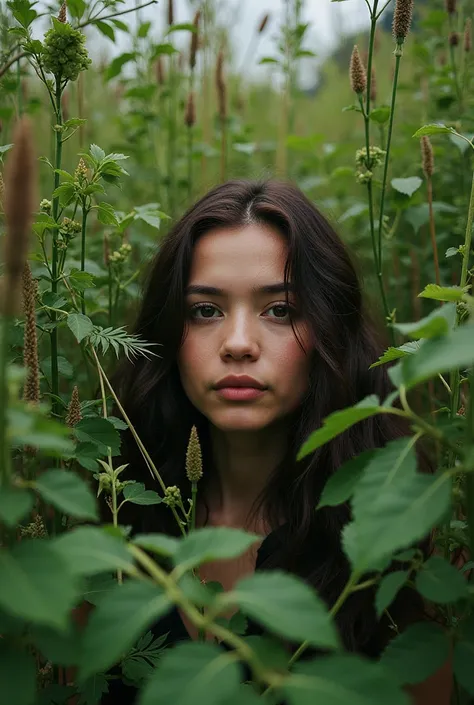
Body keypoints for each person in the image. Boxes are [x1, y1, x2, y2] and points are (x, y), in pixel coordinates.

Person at [102, 180, 451, 704]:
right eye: (205, 310)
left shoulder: (390, 546)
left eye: (280, 310)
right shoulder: (116, 522)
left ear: (329, 332)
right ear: (168, 332)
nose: (238, 344)